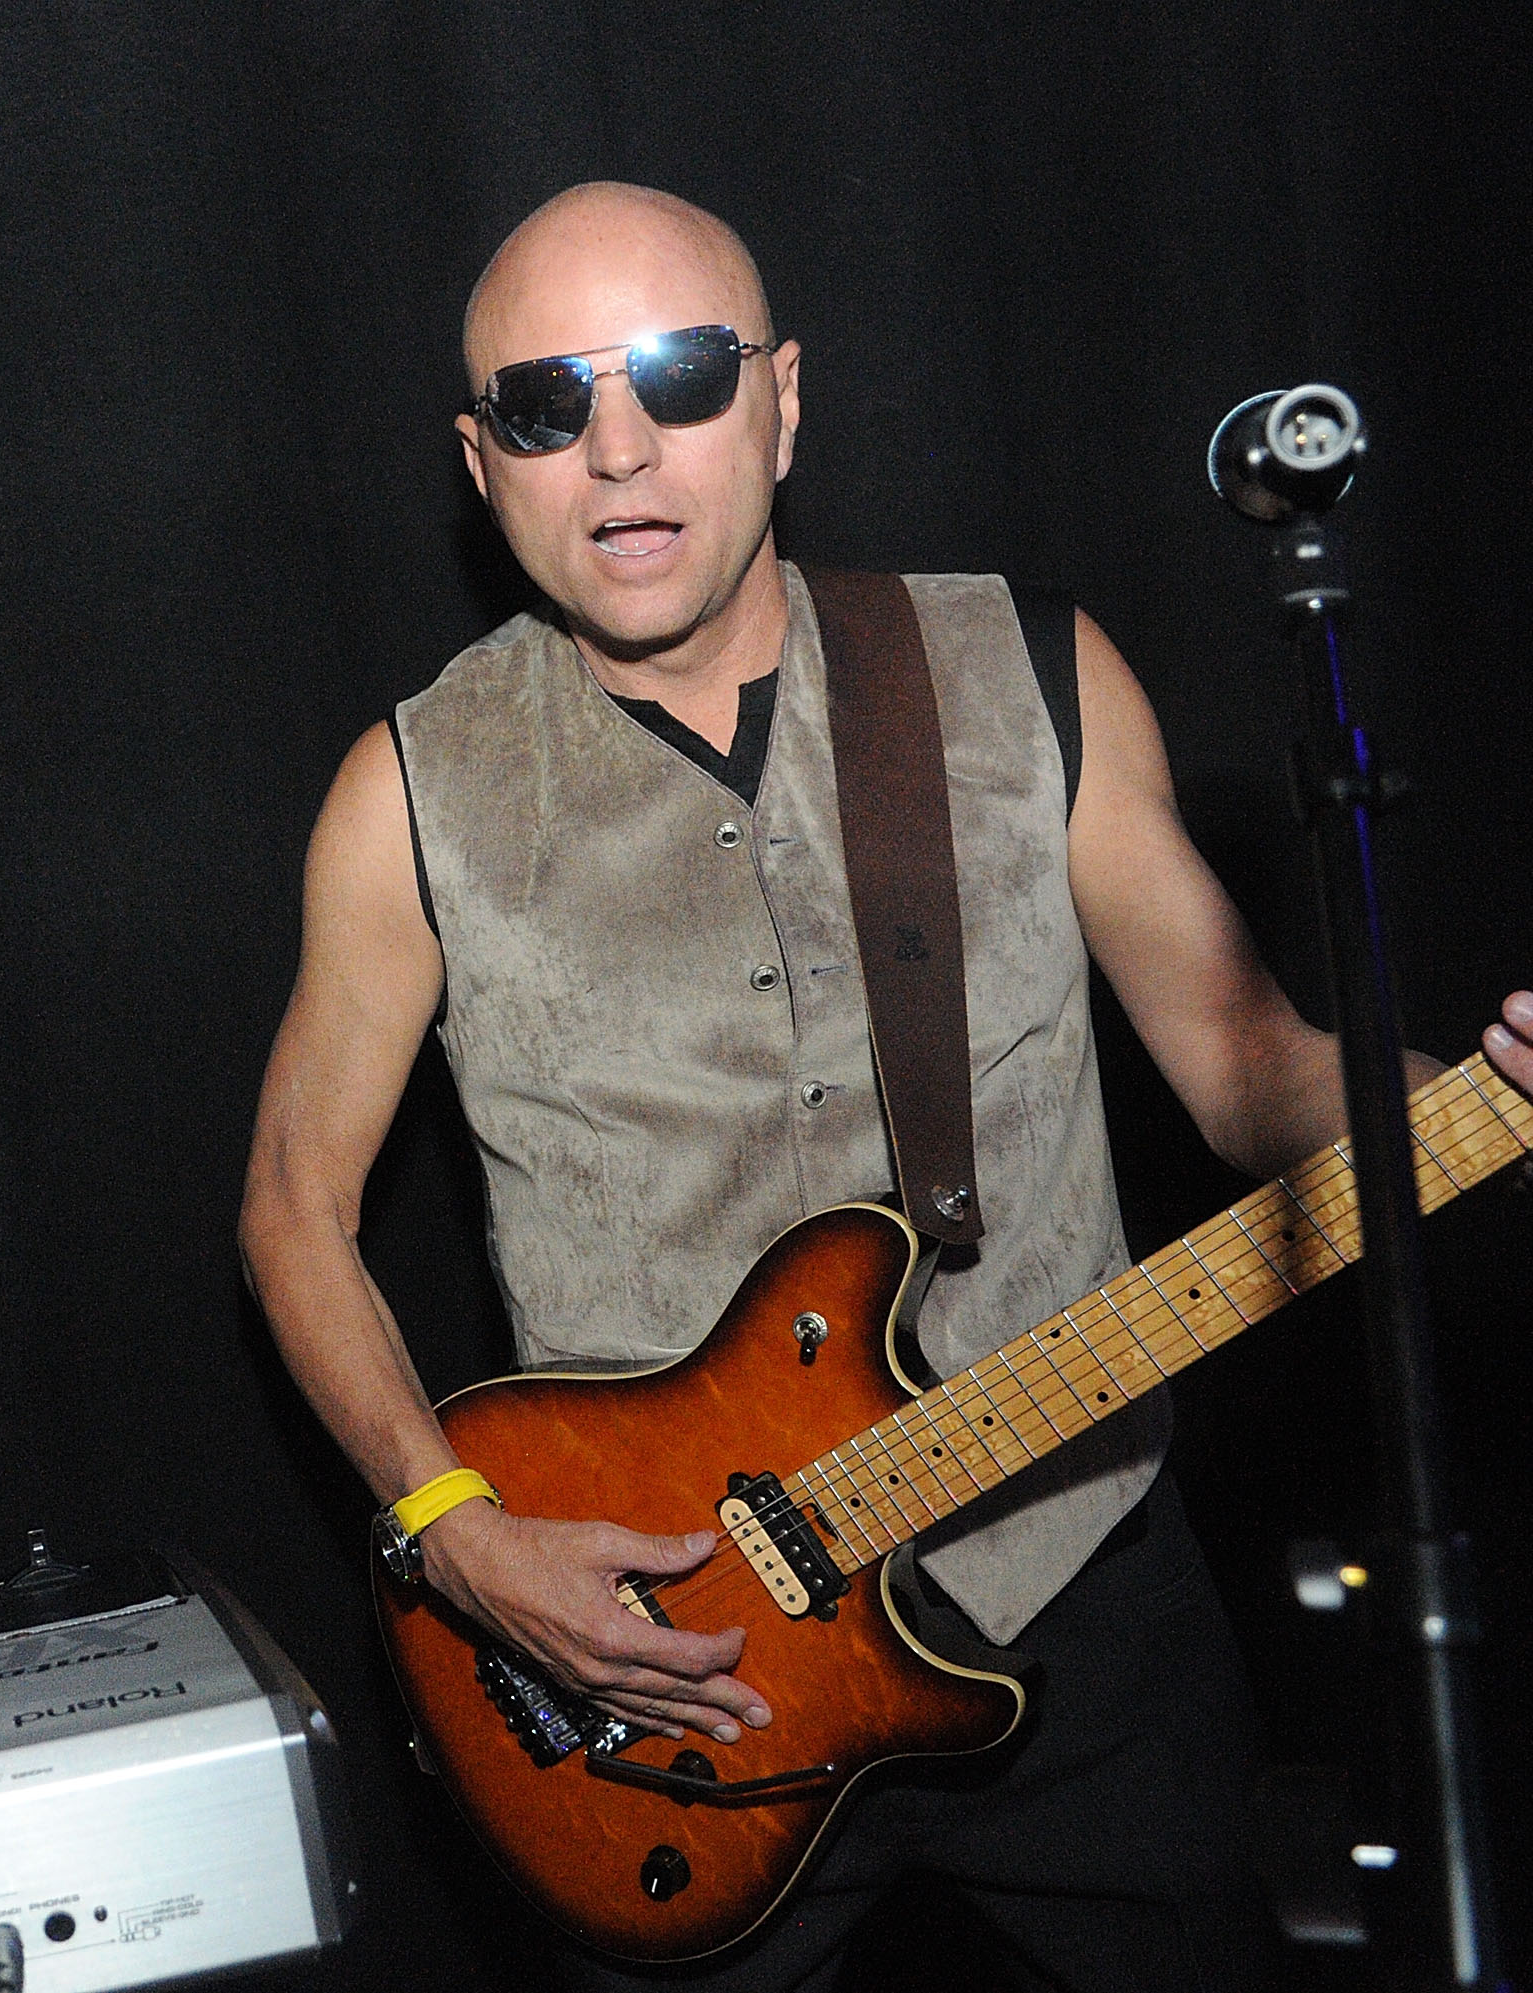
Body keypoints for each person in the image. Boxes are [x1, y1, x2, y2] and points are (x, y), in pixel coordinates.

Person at [237, 181, 1533, 1987]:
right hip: (663, 1673)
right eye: (546, 403)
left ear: (781, 402)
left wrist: (1477, 1100)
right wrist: (454, 1534)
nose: (619, 448)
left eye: (681, 375)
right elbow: (293, 1205)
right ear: (481, 463)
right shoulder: (408, 795)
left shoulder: (1029, 670)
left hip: (1075, 1584)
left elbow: (1254, 1064)